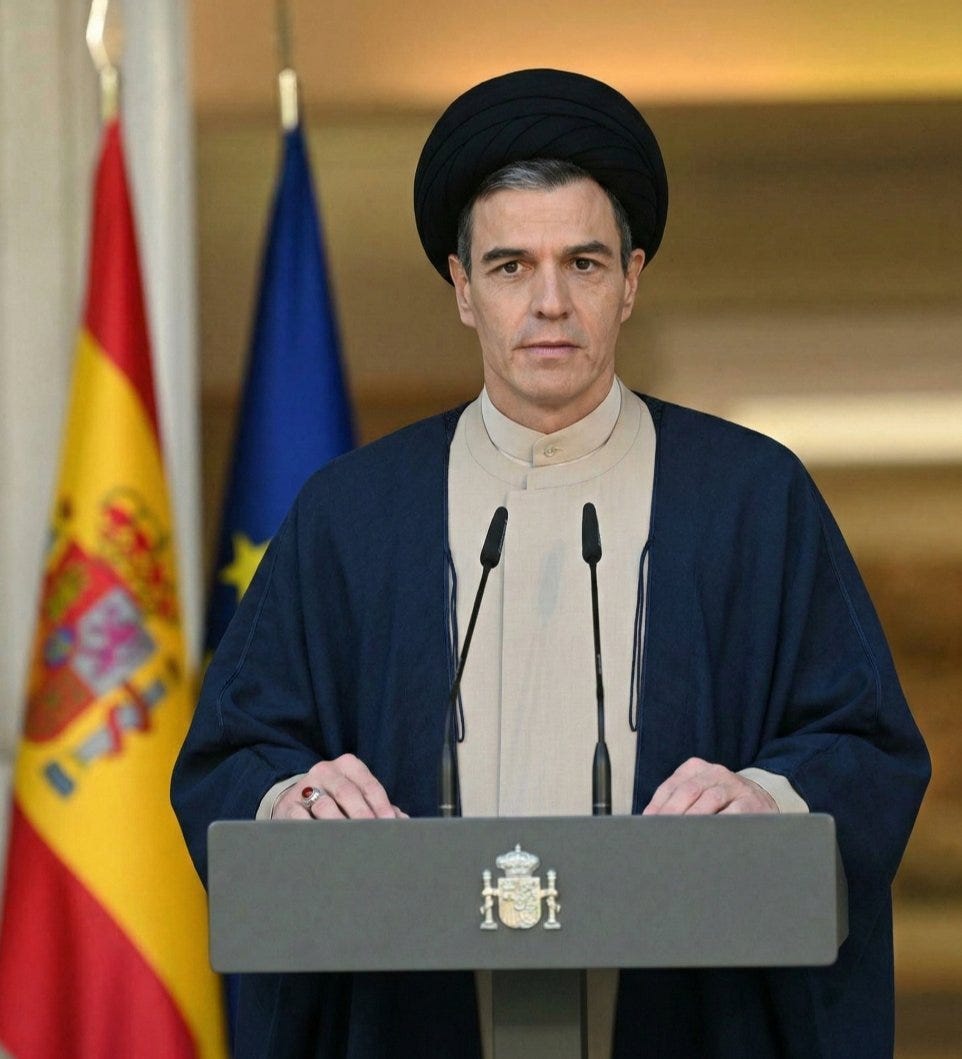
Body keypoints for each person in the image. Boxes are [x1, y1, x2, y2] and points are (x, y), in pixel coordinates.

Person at [172, 69, 930, 1058]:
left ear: (631, 280)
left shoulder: (748, 498)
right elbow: (232, 752)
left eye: (582, 262)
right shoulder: (353, 515)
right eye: (509, 266)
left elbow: (866, 745)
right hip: (419, 1027)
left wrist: (770, 800)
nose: (549, 303)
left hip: (683, 1024)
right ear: (462, 288)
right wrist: (295, 798)